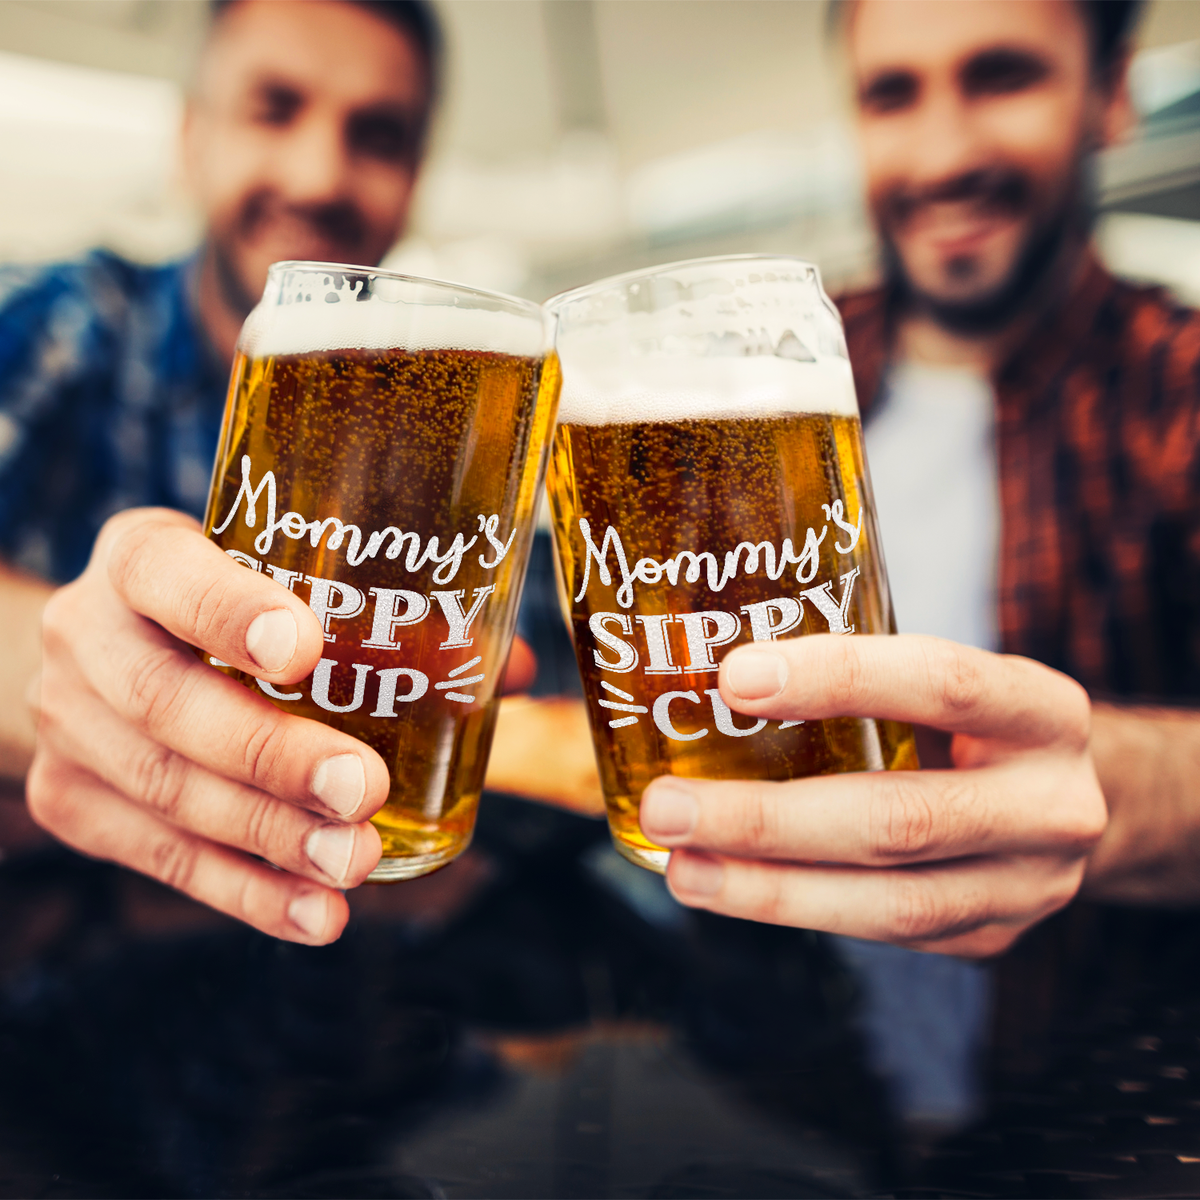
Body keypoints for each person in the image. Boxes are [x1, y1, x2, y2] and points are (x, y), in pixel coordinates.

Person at [639, 0, 1200, 960]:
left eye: (1001, 77)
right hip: (800, 1067)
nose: (942, 156)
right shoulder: (742, 386)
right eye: (892, 94)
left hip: (1093, 1070)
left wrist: (1110, 793)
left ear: (1111, 94)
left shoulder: (1176, 390)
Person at [0, 0, 527, 946]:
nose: (321, 174)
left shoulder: (470, 418)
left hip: (367, 980)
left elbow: (524, 687)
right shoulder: (70, 330)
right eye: (274, 108)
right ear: (191, 139)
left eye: (378, 134)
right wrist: (65, 666)